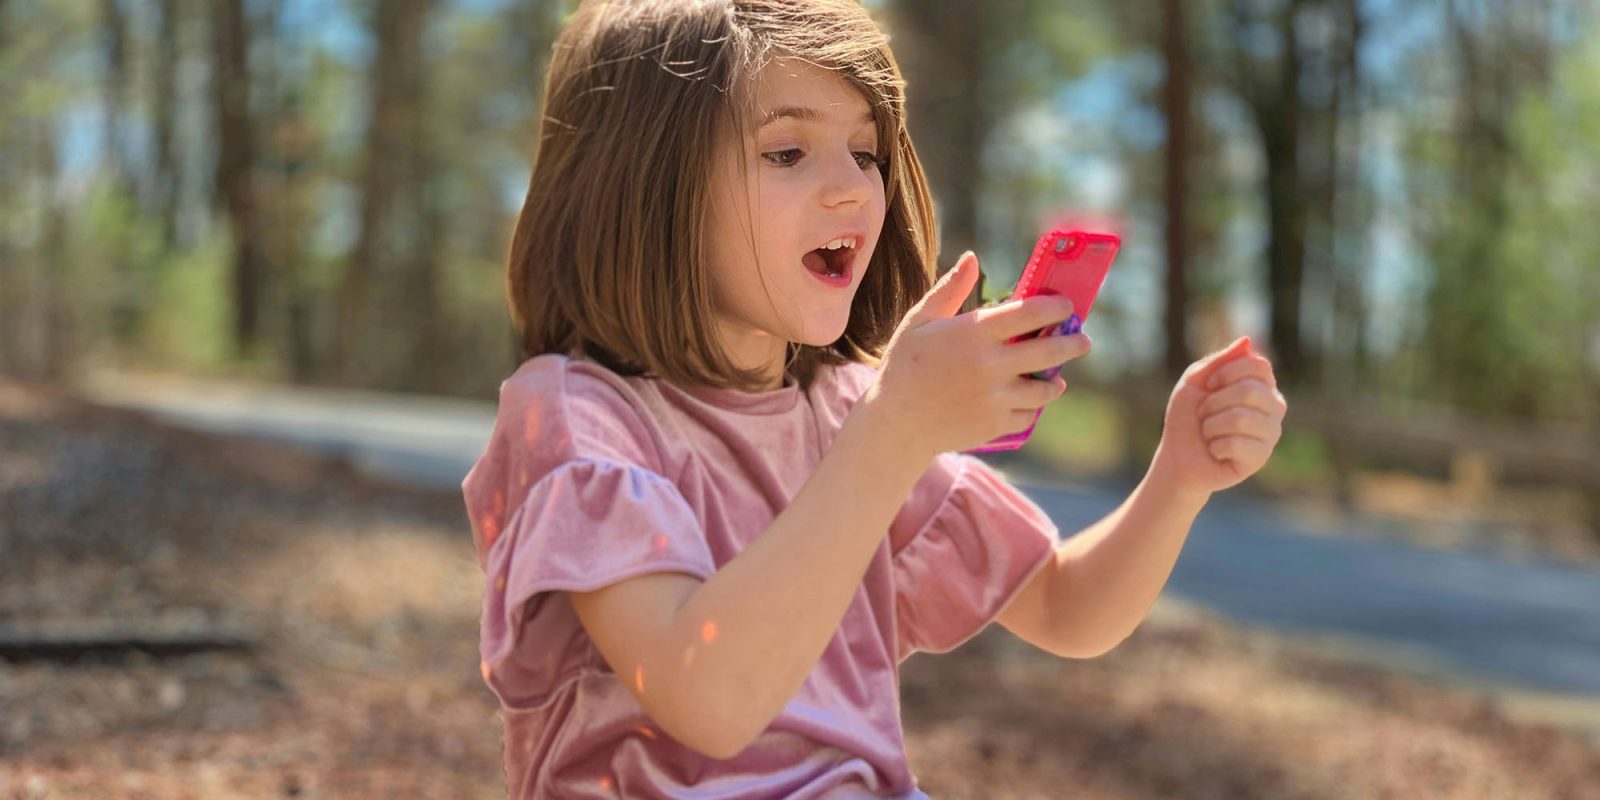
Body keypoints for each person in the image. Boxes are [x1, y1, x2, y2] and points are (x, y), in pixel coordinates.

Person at [461, 0, 1288, 796]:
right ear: (642, 184)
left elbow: (1068, 607)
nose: (855, 190)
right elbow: (706, 700)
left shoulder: (848, 411)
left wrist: (1179, 476)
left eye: (866, 153)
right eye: (787, 152)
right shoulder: (576, 420)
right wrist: (892, 431)